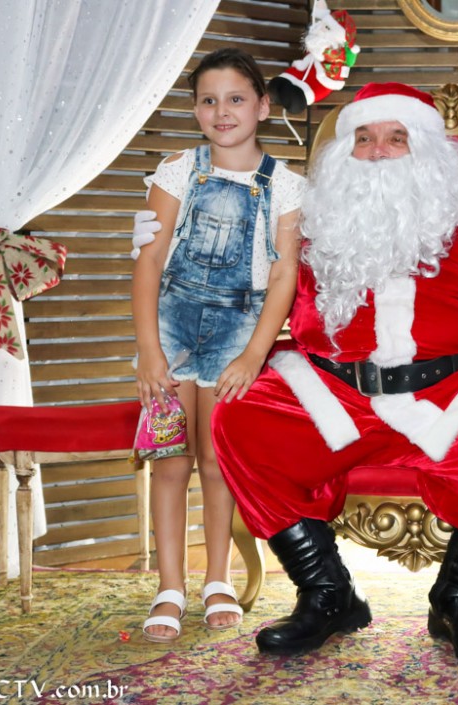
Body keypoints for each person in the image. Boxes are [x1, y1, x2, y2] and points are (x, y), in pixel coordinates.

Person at [130, 81, 458, 665]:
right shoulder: (315, 229)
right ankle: (326, 593)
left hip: (452, 392)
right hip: (335, 390)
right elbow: (251, 281)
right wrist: (168, 244)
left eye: (396, 137)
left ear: (428, 152)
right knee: (240, 419)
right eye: (363, 139)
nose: (378, 151)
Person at [131, 47, 304, 643]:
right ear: (195, 110)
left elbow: (283, 275)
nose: (222, 111)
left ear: (262, 106)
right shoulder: (177, 170)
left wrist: (254, 354)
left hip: (237, 332)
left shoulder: (287, 186)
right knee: (170, 460)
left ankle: (217, 580)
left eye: (235, 99)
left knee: (216, 461)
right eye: (209, 100)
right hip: (172, 328)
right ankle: (169, 586)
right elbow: (149, 260)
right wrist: (150, 351)